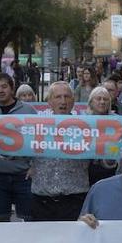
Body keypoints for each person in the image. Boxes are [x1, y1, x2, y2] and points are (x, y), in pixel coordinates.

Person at [28, 82, 92, 222]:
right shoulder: (35, 126)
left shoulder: (88, 126)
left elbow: (104, 160)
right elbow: (13, 155)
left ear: (73, 101)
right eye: (58, 97)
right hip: (42, 200)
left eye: (67, 96)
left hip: (75, 199)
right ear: (49, 101)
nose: (63, 101)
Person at [0, 72, 35, 222]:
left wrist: (34, 166)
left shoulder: (29, 111)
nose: (0, 90)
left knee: (29, 219)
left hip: (23, 176)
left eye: (4, 86)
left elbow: (38, 141)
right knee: (0, 221)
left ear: (12, 88)